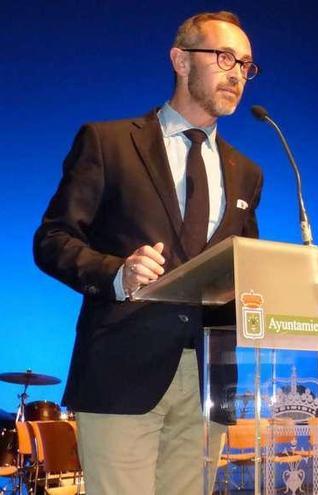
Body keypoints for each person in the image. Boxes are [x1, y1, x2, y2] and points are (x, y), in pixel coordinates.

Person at [33, 11, 263, 494]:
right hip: (122, 368)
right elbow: (52, 239)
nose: (237, 73)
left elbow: (246, 266)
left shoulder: (247, 171)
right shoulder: (109, 142)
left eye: (246, 65)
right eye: (224, 58)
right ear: (180, 60)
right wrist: (118, 273)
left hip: (209, 376)